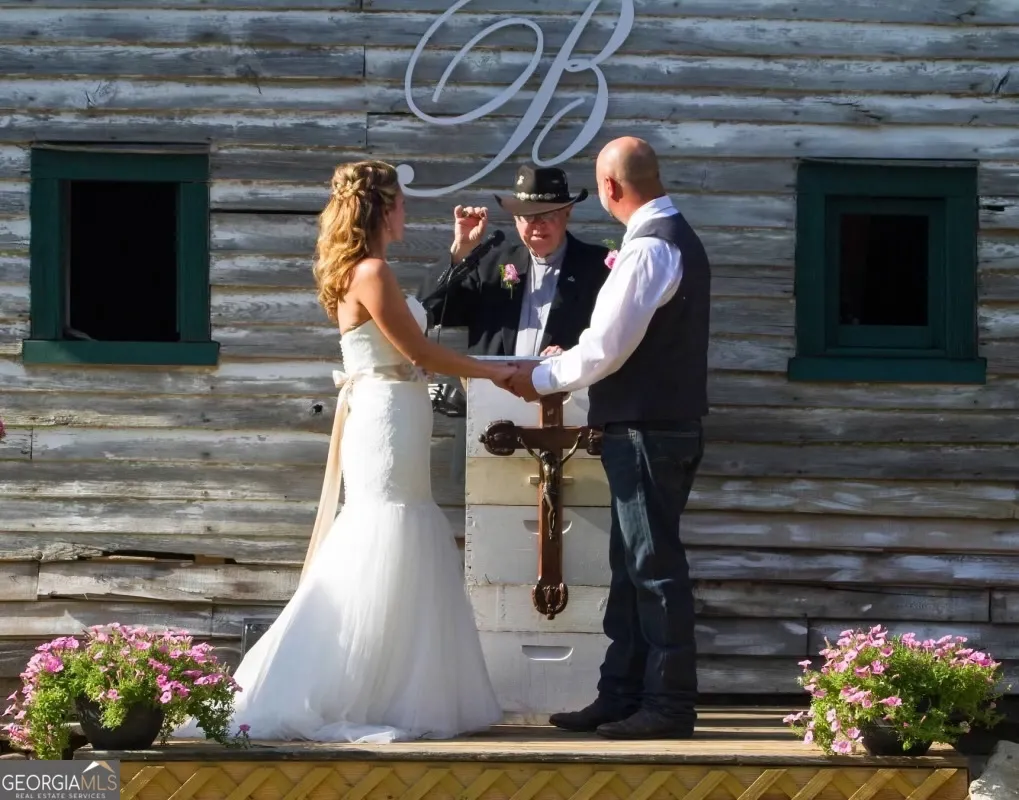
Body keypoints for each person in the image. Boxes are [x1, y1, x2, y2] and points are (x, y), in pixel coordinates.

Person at [174, 160, 512, 743]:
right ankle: (351, 688)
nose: (406, 211)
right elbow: (420, 351)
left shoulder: (365, 271)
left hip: (394, 410)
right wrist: (496, 372)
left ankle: (385, 686)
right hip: (386, 414)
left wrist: (459, 255)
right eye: (400, 201)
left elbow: (411, 327)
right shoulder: (373, 271)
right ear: (382, 208)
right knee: (385, 529)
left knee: (398, 527)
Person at [503, 137, 711, 740]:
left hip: (649, 429)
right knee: (632, 568)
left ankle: (668, 704)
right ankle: (621, 694)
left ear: (611, 188)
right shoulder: (672, 239)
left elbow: (605, 349)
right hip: (654, 426)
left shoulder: (649, 249)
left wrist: (541, 378)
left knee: (653, 569)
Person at [419, 164, 610, 358]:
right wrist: (461, 250)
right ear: (516, 218)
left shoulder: (599, 268)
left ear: (567, 212)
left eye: (548, 214)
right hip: (493, 378)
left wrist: (574, 359)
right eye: (529, 216)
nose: (538, 225)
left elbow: (614, 340)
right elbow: (429, 311)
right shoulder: (490, 266)